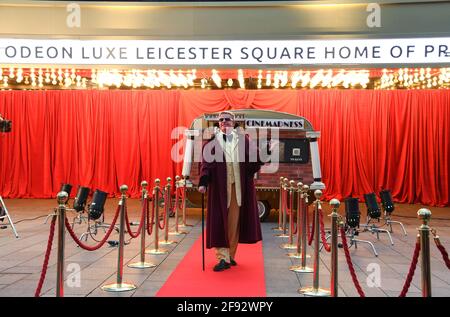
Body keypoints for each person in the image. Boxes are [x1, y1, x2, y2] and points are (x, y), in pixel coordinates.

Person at [198, 111, 263, 272]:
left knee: (234, 222)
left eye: (227, 120)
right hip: (220, 188)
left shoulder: (244, 141)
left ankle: (230, 256)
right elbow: (206, 164)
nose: (224, 122)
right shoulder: (211, 143)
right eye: (221, 120)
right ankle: (222, 257)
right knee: (220, 221)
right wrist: (203, 182)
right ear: (218, 123)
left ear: (233, 123)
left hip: (238, 188)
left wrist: (264, 154)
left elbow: (253, 161)